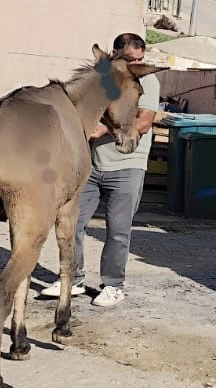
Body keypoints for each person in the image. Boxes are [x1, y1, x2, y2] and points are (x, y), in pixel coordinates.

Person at [40, 32, 160, 307]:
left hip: (127, 166)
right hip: (91, 165)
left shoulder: (147, 81)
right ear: (115, 56)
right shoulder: (103, 79)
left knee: (118, 229)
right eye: (130, 60)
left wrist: (106, 129)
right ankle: (72, 278)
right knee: (73, 224)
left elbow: (144, 121)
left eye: (141, 59)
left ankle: (113, 285)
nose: (137, 65)